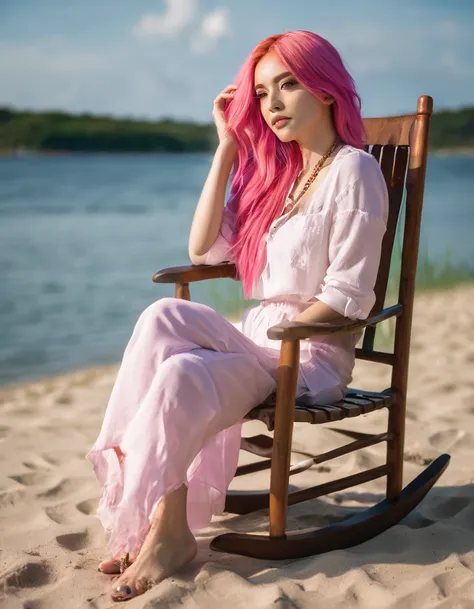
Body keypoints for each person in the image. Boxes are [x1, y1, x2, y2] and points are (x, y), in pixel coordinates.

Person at [87, 30, 389, 601]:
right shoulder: (278, 179)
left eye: (288, 84)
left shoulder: (355, 171)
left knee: (172, 342)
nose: (272, 104)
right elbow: (204, 248)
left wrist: (282, 338)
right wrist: (227, 147)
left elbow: (350, 295)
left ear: (325, 89)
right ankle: (166, 527)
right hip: (259, 345)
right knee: (167, 341)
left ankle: (152, 516)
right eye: (262, 92)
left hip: (310, 355)